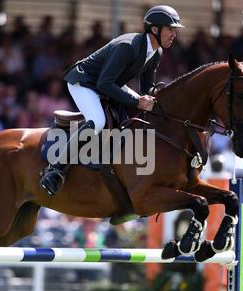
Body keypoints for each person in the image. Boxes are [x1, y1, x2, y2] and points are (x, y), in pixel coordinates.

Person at [39, 5, 185, 196]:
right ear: (155, 29)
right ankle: (54, 169)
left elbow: (146, 89)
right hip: (85, 82)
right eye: (170, 29)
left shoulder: (156, 53)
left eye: (175, 30)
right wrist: (136, 102)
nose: (174, 34)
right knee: (98, 121)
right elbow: (104, 83)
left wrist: (154, 98)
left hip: (108, 83)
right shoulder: (128, 47)